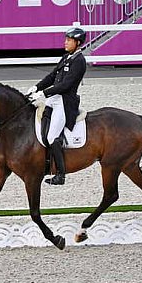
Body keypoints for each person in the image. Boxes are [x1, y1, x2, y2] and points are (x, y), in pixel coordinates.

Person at [26, 27, 87, 185]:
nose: (65, 42)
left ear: (78, 42)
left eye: (69, 40)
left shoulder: (79, 61)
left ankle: (60, 174)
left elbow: (66, 85)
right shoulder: (67, 57)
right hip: (55, 98)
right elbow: (53, 76)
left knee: (53, 136)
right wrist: (36, 87)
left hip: (65, 102)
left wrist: (44, 93)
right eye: (66, 39)